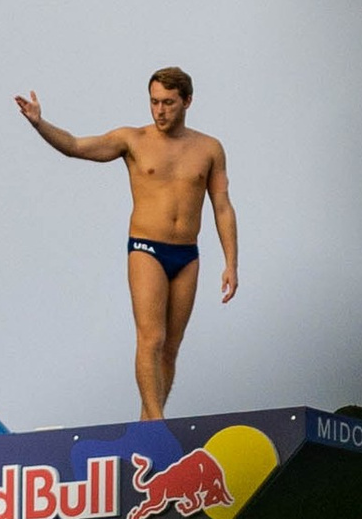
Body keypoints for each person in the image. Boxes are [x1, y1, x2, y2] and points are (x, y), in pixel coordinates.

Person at [14, 66, 237, 421]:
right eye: (154, 102)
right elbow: (74, 146)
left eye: (168, 103)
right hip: (147, 248)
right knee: (151, 339)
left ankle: (148, 423)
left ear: (187, 102)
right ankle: (157, 423)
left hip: (187, 255)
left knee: (170, 350)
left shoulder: (209, 148)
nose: (160, 111)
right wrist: (40, 123)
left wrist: (231, 263)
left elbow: (222, 206)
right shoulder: (133, 140)